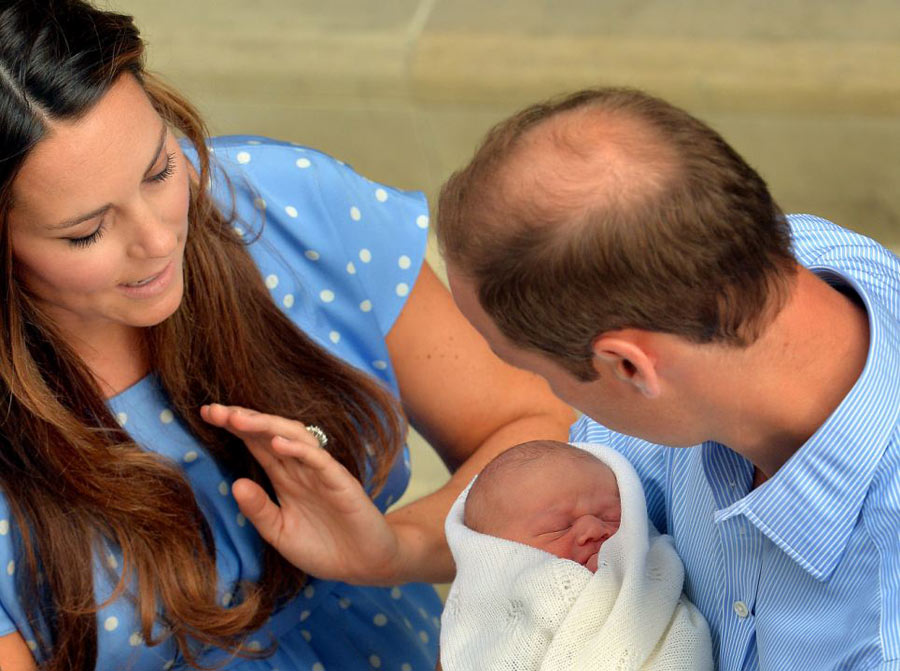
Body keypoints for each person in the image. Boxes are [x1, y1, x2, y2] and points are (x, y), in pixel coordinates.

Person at [0, 1, 575, 669]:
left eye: (159, 169)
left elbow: (536, 424)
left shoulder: (288, 204)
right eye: (86, 232)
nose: (160, 240)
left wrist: (394, 548)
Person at [435, 87, 900, 669]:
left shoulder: (882, 630)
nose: (566, 409)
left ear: (630, 366)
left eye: (541, 373)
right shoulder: (773, 257)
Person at [440, 439, 713, 670]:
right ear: (498, 552)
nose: (594, 529)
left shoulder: (652, 563)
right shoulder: (494, 612)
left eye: (610, 516)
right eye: (559, 528)